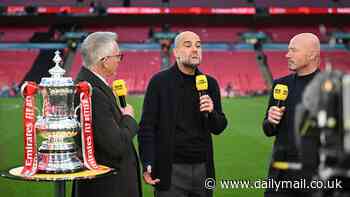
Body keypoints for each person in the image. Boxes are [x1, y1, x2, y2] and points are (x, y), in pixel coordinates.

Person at [138, 31, 228, 197]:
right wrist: (148, 162)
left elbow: (219, 126)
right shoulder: (159, 82)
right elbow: (147, 127)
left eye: (198, 45)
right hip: (170, 170)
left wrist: (212, 112)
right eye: (188, 45)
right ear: (176, 52)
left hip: (203, 169)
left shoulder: (210, 83)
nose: (195, 49)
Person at [72, 32, 142, 197]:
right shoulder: (92, 92)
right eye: (118, 56)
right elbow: (115, 146)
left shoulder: (89, 86)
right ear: (104, 61)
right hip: (107, 187)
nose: (119, 60)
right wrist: (129, 119)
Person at [262, 33, 321, 197]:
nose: (287, 55)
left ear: (311, 55)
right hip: (280, 176)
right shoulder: (281, 85)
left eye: (293, 50)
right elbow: (268, 130)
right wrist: (270, 120)